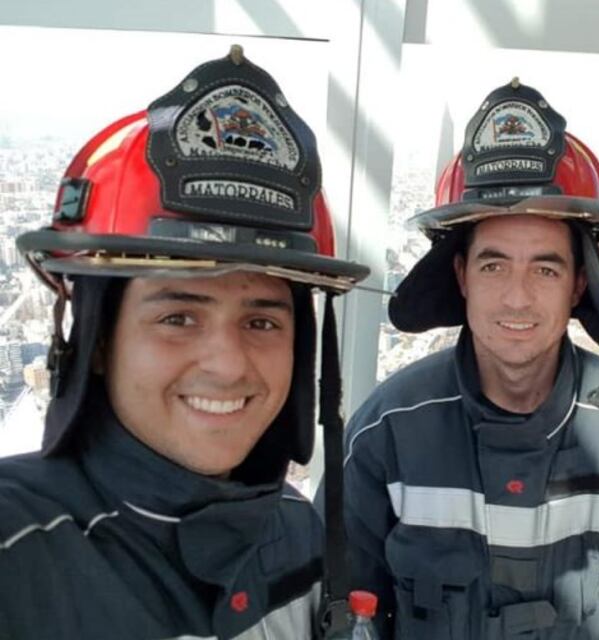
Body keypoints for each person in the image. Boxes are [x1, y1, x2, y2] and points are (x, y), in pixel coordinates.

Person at [336, 79, 599, 639]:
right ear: (461, 277)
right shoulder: (387, 433)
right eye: (494, 266)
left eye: (544, 269)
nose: (517, 298)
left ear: (578, 284)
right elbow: (345, 616)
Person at [0, 47, 369, 639]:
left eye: (262, 322)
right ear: (96, 340)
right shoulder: (17, 554)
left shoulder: (298, 533)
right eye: (178, 317)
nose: (226, 365)